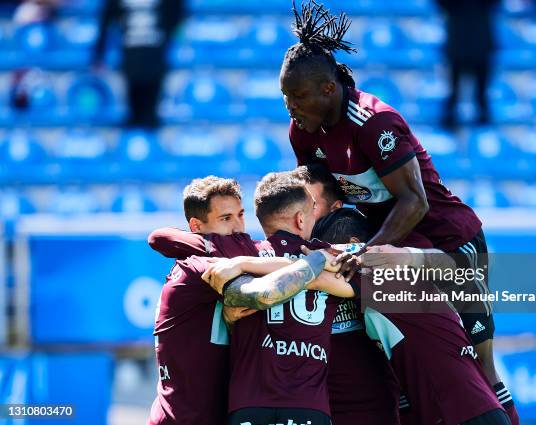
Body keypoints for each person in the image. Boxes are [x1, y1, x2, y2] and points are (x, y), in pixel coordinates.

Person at [280, 2, 516, 420]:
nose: (290, 106)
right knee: (397, 367)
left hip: (448, 242)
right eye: (285, 97)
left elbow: (416, 201)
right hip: (390, 244)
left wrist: (369, 249)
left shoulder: (373, 123)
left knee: (477, 365)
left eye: (297, 96)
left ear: (328, 90)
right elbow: (318, 194)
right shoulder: (304, 131)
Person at [150, 172, 399, 425]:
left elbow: (159, 237)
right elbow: (427, 282)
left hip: (243, 406)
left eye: (240, 215)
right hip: (307, 406)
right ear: (300, 218)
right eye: (226, 218)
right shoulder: (328, 256)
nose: (237, 227)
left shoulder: (242, 254)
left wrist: (244, 265)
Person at [311, 208, 513, 425]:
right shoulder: (406, 272)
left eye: (330, 251)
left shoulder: (379, 277)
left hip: (460, 414)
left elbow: (315, 279)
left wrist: (306, 258)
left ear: (353, 244)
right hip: (471, 411)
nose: (330, 260)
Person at [94, 0, 183, 128]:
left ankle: (148, 141)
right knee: (134, 112)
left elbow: (176, 12)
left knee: (150, 113)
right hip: (135, 58)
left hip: (152, 57)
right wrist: (99, 54)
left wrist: (98, 53)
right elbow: (107, 18)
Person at [436, 0, 499, 128]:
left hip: (479, 45)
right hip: (459, 45)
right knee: (453, 93)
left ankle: (483, 124)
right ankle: (451, 119)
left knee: (482, 96)